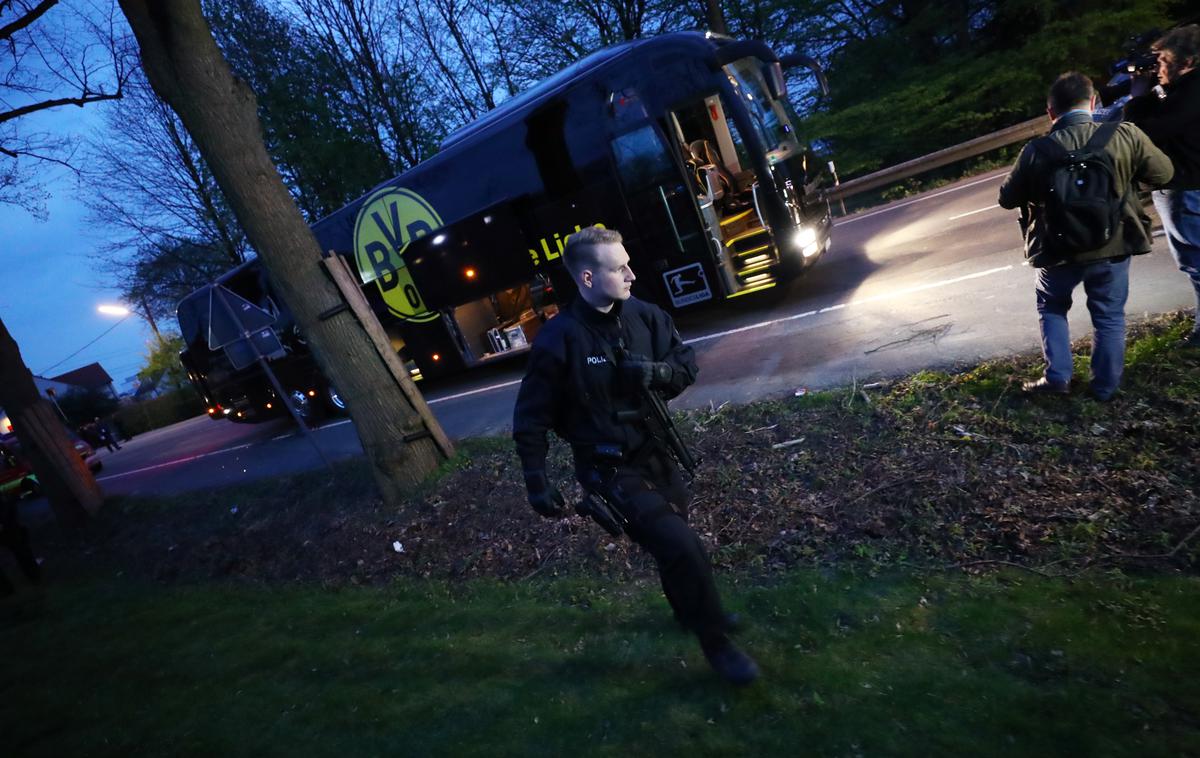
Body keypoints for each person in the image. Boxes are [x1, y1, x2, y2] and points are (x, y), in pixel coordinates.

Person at [512, 225, 758, 685]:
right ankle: (717, 643)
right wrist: (536, 479)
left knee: (674, 548)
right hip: (609, 469)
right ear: (587, 279)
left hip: (657, 454)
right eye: (618, 267)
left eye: (627, 262)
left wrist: (656, 371)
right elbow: (531, 416)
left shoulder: (645, 317)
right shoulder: (558, 340)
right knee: (684, 547)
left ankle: (690, 614)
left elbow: (686, 367)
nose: (631, 273)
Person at [999, 72, 1173, 400]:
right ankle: (1104, 388)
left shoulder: (1036, 151)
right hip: (1115, 242)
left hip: (1058, 249)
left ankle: (1057, 378)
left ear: (1051, 112)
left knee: (1051, 305)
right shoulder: (1125, 135)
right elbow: (1164, 173)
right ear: (1093, 103)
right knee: (1108, 315)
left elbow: (1007, 198)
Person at [1124, 24, 1200, 347]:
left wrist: (1136, 99)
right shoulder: (1185, 92)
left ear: (1188, 61)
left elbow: (1144, 133)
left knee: (1195, 262)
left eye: (1164, 61)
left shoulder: (1191, 91)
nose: (1159, 70)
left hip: (1186, 186)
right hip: (1188, 185)